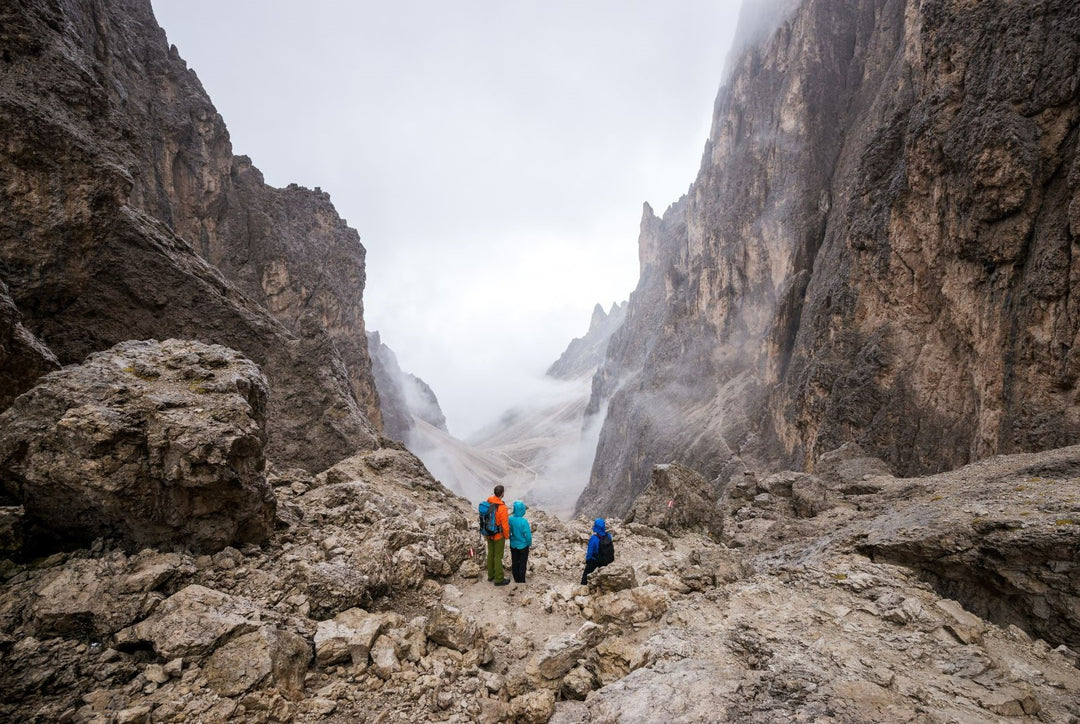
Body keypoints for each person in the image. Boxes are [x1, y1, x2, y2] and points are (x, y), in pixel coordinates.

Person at [485, 485, 511, 586]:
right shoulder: (502, 508)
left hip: (488, 533)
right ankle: (499, 579)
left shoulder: (489, 501)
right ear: (502, 493)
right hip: (498, 536)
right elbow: (505, 525)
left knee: (490, 553)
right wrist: (507, 535)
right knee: (498, 556)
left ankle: (490, 575)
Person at [580, 518, 613, 585]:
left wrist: (588, 560)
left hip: (596, 560)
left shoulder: (594, 538)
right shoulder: (609, 535)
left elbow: (590, 552)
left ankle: (583, 586)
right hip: (606, 560)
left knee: (586, 573)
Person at [507, 500, 532, 584]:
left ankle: (516, 578)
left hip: (513, 544)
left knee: (514, 561)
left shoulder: (510, 519)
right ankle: (521, 580)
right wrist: (529, 543)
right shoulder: (524, 521)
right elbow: (528, 535)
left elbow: (508, 531)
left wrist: (511, 538)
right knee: (522, 563)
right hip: (523, 546)